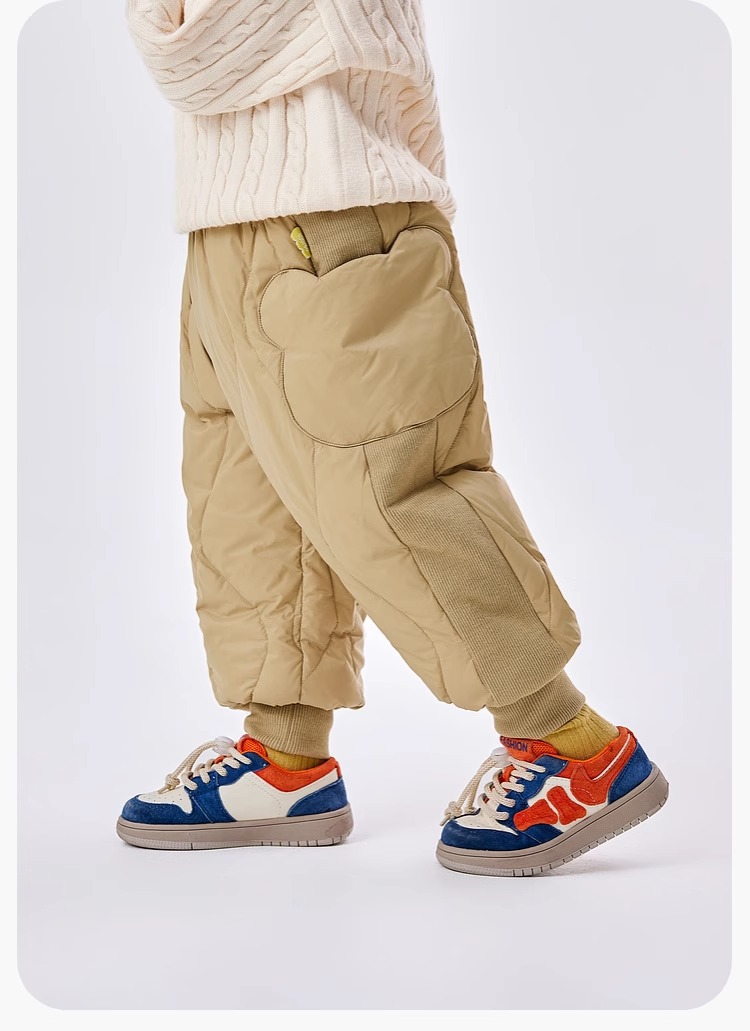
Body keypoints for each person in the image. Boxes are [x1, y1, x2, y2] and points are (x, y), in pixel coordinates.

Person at [119, 0, 667, 875]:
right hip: (226, 224)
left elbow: (192, 47)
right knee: (250, 504)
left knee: (396, 492)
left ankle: (573, 743)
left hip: (333, 216)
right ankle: (286, 757)